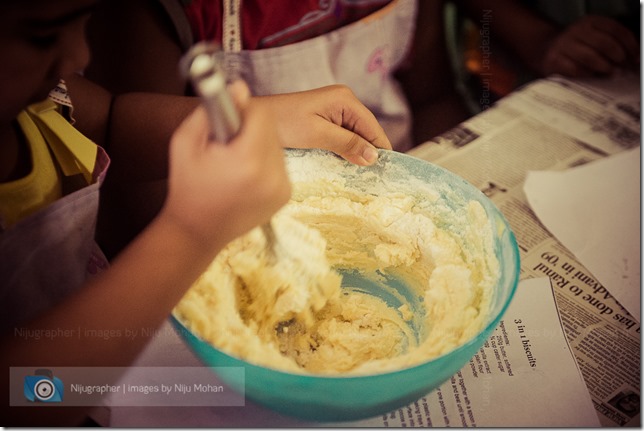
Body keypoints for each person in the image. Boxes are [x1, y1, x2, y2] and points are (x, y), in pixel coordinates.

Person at [0, 0, 391, 425]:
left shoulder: (45, 100)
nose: (81, 56)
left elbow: (110, 121)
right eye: (43, 35)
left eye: (83, 23)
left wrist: (271, 118)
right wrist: (191, 232)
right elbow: (26, 394)